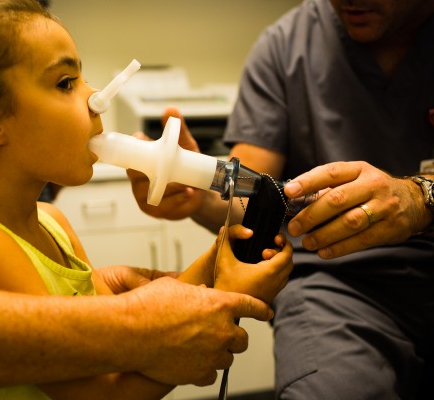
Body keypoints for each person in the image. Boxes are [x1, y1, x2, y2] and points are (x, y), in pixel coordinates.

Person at [0, 1, 277, 398]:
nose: (94, 98)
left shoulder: (51, 222)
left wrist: (221, 263)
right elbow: (103, 390)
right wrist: (230, 297)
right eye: (66, 82)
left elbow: (122, 332)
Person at [128, 0, 434, 398]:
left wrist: (420, 196)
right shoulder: (287, 46)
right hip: (338, 286)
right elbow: (251, 196)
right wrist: (194, 196)